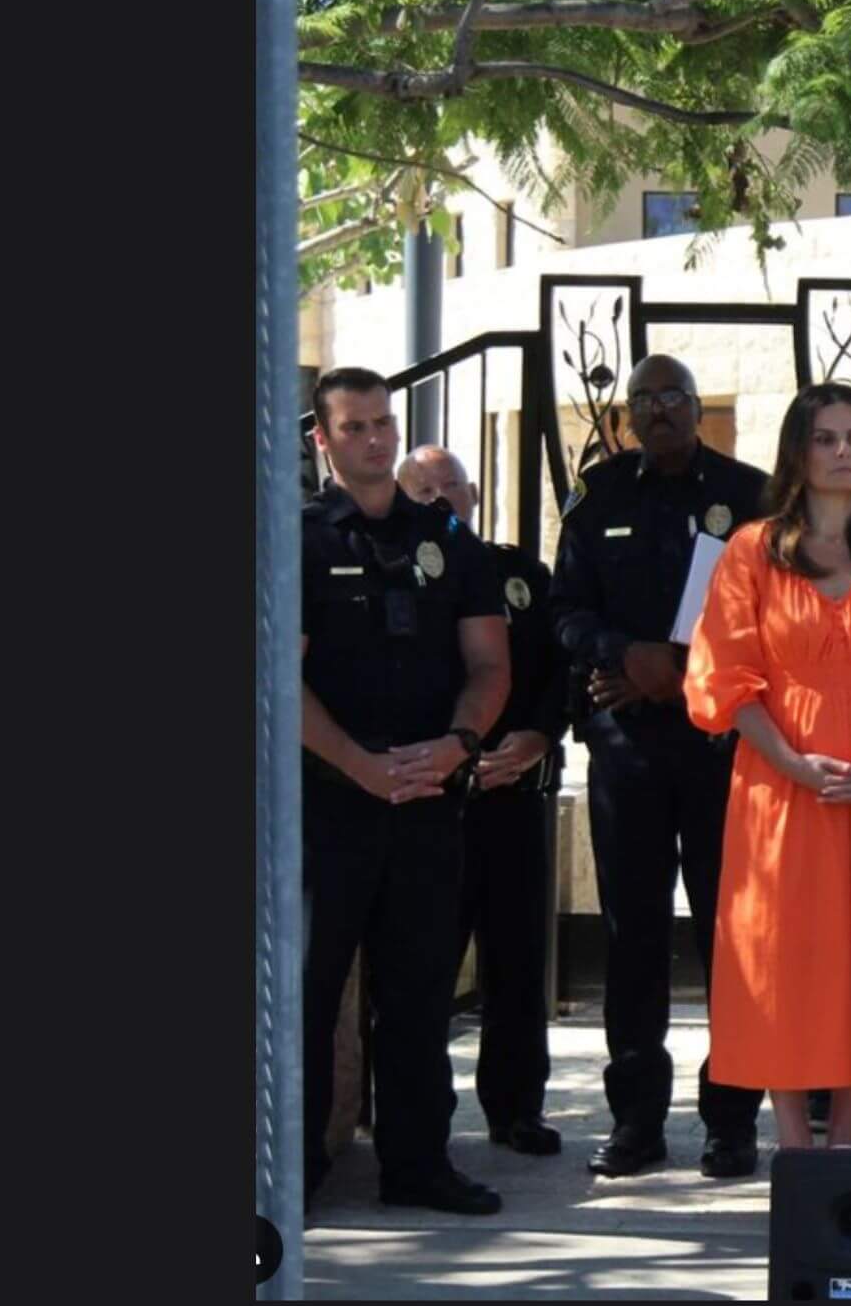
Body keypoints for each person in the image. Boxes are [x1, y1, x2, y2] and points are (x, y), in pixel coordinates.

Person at [684, 382, 851, 1153]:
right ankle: (795, 1143)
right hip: (780, 789)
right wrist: (798, 764)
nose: (845, 453)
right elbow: (725, 680)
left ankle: (847, 1145)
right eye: (828, 439)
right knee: (784, 962)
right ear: (798, 452)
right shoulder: (751, 552)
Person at [548, 353, 771, 1179]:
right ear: (628, 417)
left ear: (698, 406)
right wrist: (623, 653)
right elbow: (564, 610)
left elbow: (774, 616)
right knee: (630, 937)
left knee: (732, 938)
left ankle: (732, 1119)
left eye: (676, 396)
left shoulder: (749, 496)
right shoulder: (598, 496)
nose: (662, 410)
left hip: (724, 750)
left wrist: (691, 673)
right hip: (627, 747)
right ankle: (636, 1120)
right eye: (646, 400)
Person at [300, 368, 511, 1215]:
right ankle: (298, 1169)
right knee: (310, 995)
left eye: (384, 422)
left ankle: (418, 1165)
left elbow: (491, 665)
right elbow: (275, 677)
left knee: (421, 992)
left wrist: (458, 747)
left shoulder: (448, 540)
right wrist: (358, 763)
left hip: (427, 801)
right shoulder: (299, 538)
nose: (375, 439)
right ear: (323, 438)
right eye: (354, 427)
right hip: (328, 806)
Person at [398, 446, 569, 1158]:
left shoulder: (519, 573)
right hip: (426, 802)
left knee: (518, 964)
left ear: (474, 492)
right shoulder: (393, 570)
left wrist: (535, 737)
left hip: (513, 798)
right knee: (419, 967)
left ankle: (515, 1108)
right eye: (424, 488)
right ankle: (410, 1115)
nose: (442, 498)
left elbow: (560, 671)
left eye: (452, 486)